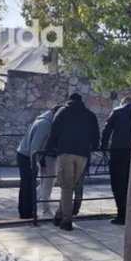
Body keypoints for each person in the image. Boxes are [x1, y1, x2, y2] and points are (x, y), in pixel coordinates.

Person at [44, 93, 100, 231]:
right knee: (71, 186)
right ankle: (59, 215)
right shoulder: (90, 115)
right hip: (83, 155)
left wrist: (49, 150)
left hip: (66, 152)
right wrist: (94, 147)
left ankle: (66, 220)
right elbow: (96, 136)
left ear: (69, 100)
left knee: (66, 187)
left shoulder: (62, 112)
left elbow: (54, 133)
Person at [16, 107, 57, 219]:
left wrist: (41, 163)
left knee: (27, 185)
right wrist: (33, 164)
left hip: (24, 154)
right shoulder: (45, 124)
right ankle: (27, 213)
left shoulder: (43, 120)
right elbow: (35, 146)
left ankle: (26, 212)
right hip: (27, 156)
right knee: (28, 186)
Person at [101, 97, 131, 225]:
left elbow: (106, 130)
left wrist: (103, 147)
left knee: (118, 184)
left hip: (118, 151)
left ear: (123, 103)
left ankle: (122, 214)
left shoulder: (117, 112)